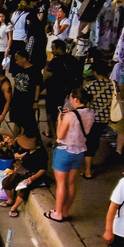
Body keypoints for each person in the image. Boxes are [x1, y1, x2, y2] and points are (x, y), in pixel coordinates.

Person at [45, 87, 94, 223]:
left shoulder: (69, 116)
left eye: (71, 98)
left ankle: (58, 213)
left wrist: (61, 119)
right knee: (71, 183)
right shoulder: (91, 113)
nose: (70, 101)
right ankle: (65, 211)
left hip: (64, 151)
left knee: (61, 184)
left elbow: (60, 135)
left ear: (76, 99)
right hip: (79, 152)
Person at [0, 131, 48, 217]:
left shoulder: (42, 153)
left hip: (33, 175)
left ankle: (14, 207)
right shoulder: (30, 150)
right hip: (22, 171)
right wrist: (19, 156)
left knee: (24, 190)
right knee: (6, 182)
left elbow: (43, 169)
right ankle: (10, 200)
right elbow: (27, 155)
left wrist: (33, 178)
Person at [82, 61, 116, 179]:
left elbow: (83, 101)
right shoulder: (113, 84)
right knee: (94, 139)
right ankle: (89, 163)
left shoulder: (90, 85)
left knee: (90, 141)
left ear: (94, 72)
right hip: (105, 118)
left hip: (92, 118)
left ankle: (87, 170)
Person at [44, 40, 82, 139]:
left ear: (59, 49)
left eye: (53, 48)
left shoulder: (55, 61)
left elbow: (47, 75)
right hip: (68, 93)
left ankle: (54, 137)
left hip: (54, 92)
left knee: (51, 115)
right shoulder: (73, 60)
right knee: (64, 114)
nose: (52, 51)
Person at [9, 49, 42, 136]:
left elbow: (37, 87)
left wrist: (35, 101)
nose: (16, 62)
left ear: (24, 59)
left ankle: (26, 140)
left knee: (26, 123)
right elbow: (15, 84)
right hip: (17, 99)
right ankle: (15, 141)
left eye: (17, 59)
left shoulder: (35, 71)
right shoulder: (17, 69)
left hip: (27, 101)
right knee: (16, 121)